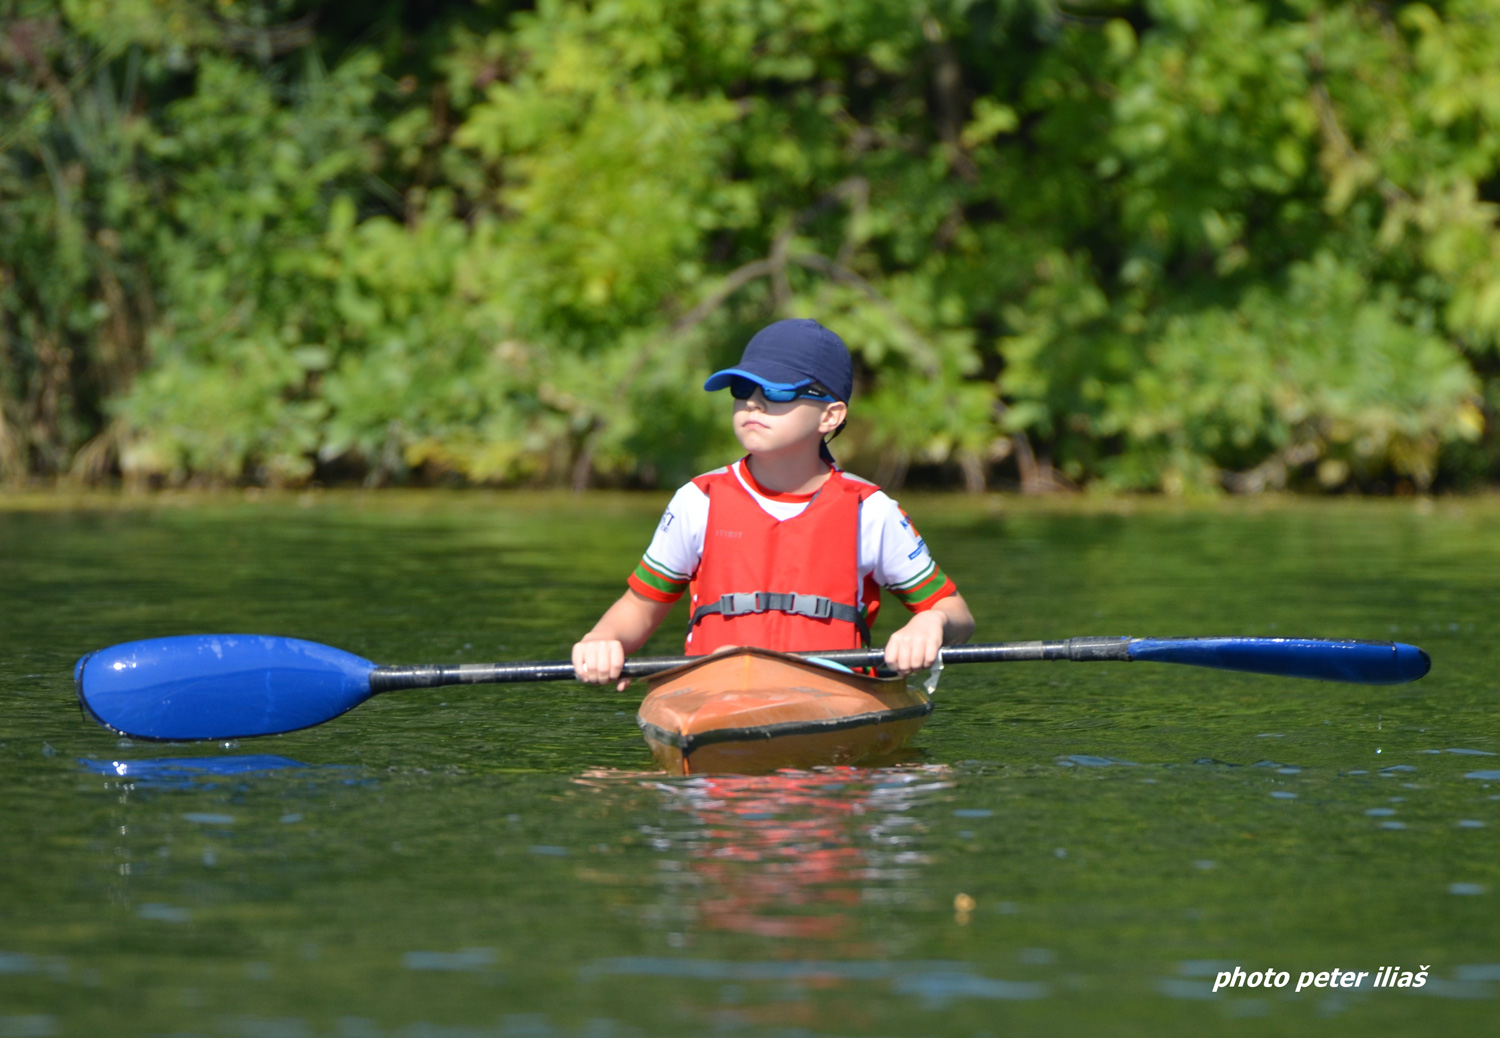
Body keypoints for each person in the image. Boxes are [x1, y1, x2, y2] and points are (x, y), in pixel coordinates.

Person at [572, 318, 974, 689]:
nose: (754, 404)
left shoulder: (871, 510)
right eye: (743, 389)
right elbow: (639, 609)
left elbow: (956, 614)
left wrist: (930, 622)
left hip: (833, 694)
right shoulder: (698, 501)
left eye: (778, 391)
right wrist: (603, 640)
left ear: (830, 416)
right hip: (711, 692)